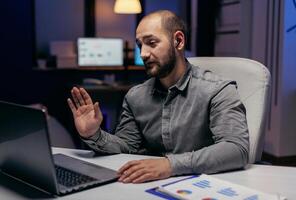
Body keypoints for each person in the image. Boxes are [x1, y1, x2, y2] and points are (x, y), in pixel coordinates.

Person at [67, 10, 249, 184]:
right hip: (149, 187)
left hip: (206, 187)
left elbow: (236, 149)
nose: (143, 54)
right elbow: (126, 147)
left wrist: (170, 165)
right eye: (140, 45)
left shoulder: (218, 89)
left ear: (178, 41)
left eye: (152, 43)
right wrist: (93, 134)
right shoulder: (135, 96)